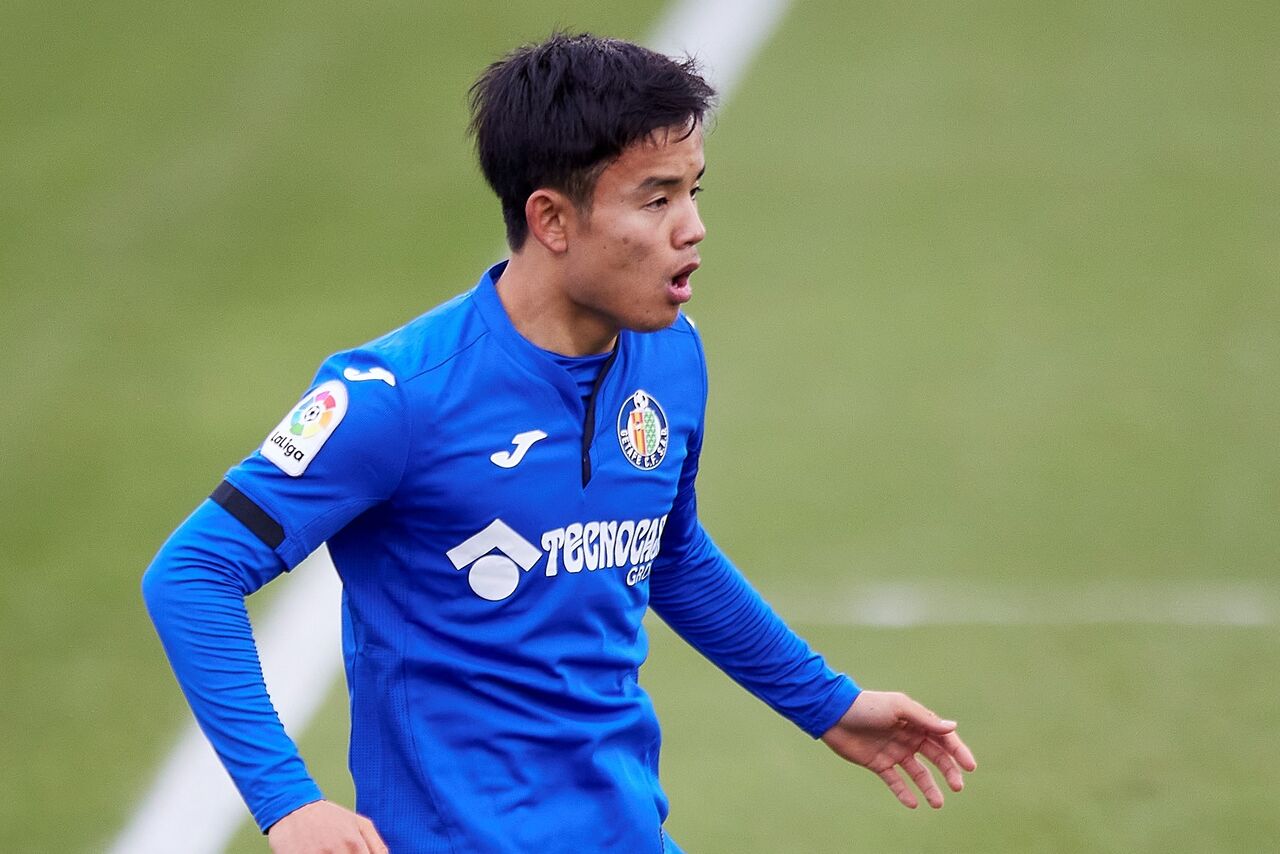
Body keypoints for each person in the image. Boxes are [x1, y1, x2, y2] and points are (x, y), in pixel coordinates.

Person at [143, 32, 976, 854]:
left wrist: (825, 703)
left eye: (693, 191)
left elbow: (668, 550)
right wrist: (288, 801)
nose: (693, 228)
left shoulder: (670, 358)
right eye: (656, 200)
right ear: (551, 218)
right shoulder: (397, 397)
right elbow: (193, 573)